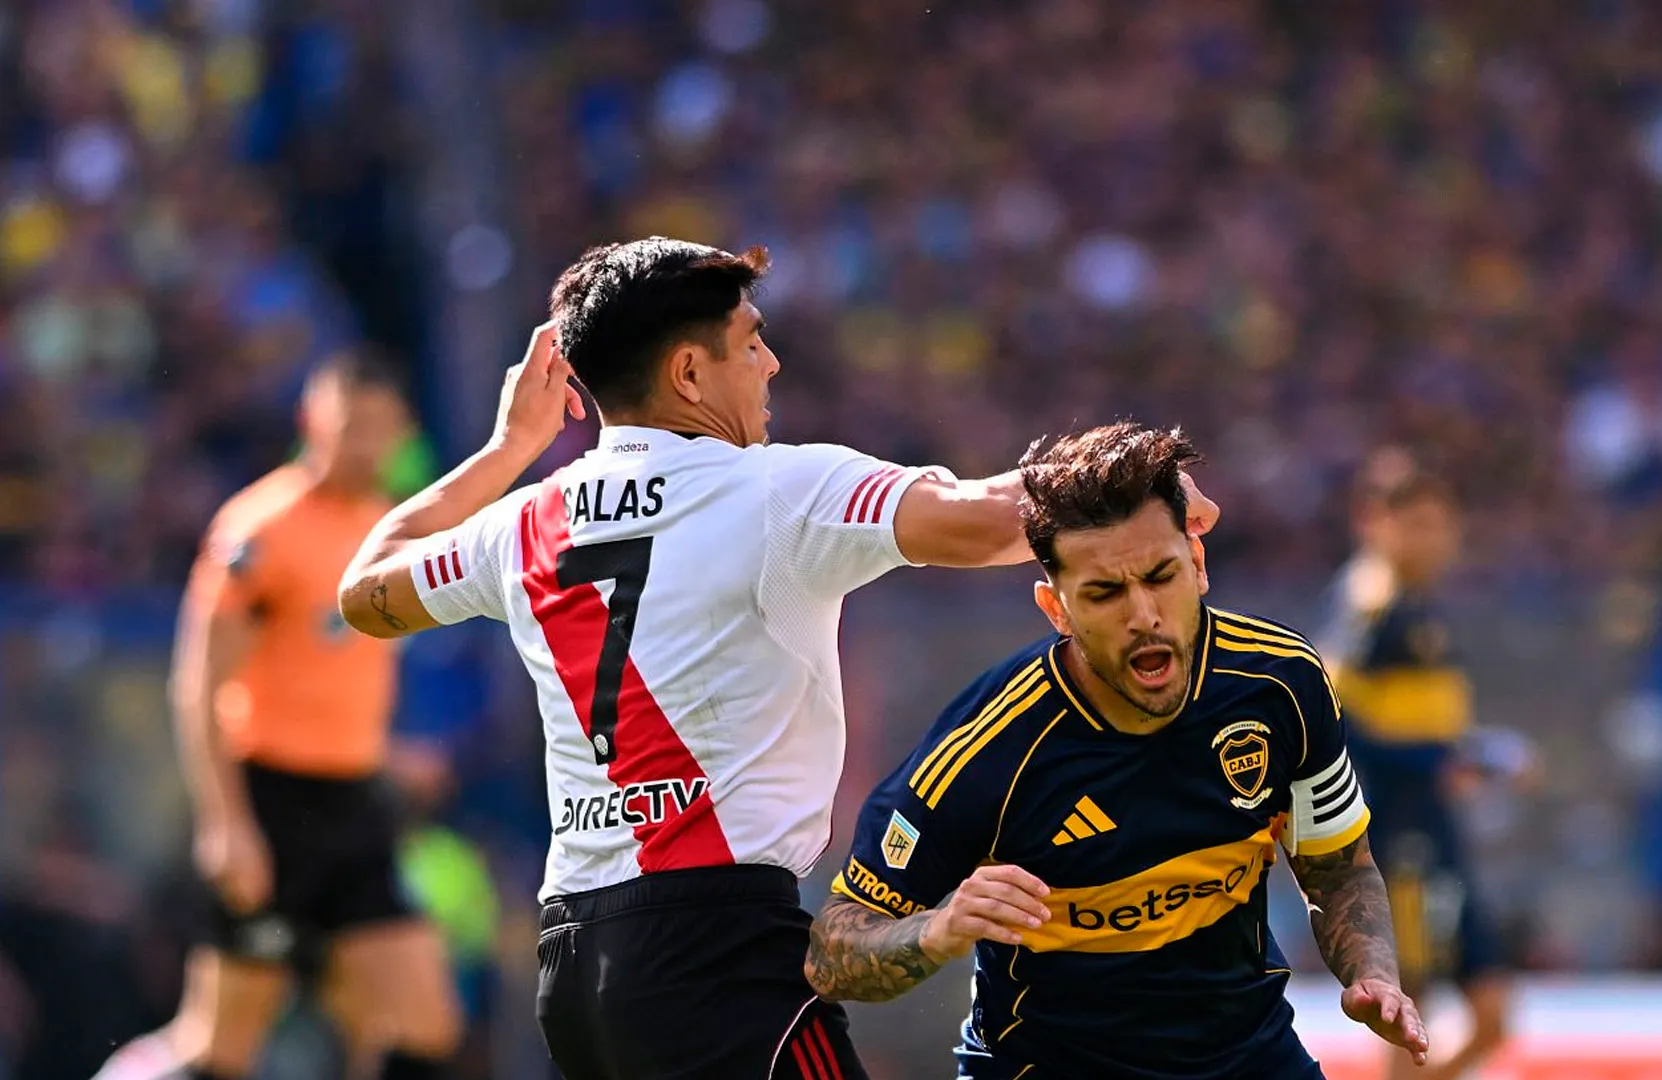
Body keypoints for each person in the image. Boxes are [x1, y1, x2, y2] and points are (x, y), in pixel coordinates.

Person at [333, 238, 1219, 1080]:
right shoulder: (776, 493)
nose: (771, 366)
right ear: (689, 372)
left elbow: (364, 588)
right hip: (716, 951)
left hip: (573, 961)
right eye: (750, 343)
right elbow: (989, 518)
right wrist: (1139, 484)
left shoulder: (521, 521)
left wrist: (505, 451)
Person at [804, 422, 1428, 1080]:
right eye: (1104, 593)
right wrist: (936, 929)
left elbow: (1338, 868)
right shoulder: (988, 751)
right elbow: (832, 953)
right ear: (1057, 609)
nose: (1143, 615)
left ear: (1198, 565)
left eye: (1161, 576)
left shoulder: (1282, 685)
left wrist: (1372, 973)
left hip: (1250, 1061)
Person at [94, 353, 465, 1080]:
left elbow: (328, 675)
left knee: (427, 1026)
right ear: (311, 426)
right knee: (221, 1047)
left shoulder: (382, 530)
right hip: (271, 804)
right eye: (348, 427)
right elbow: (199, 682)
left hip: (354, 805)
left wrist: (387, 757)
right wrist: (226, 823)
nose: (363, 445)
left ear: (401, 435)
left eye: (378, 431)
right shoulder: (259, 529)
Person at [1318, 448, 1534, 1080]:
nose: (1432, 540)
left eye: (1439, 523)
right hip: (1397, 836)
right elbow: (1335, 722)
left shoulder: (1413, 604)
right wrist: (1451, 762)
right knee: (1411, 1012)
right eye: (1414, 523)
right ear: (1373, 523)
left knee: (1490, 1012)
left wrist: (1466, 756)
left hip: (1436, 829)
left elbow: (1420, 723)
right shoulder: (1371, 605)